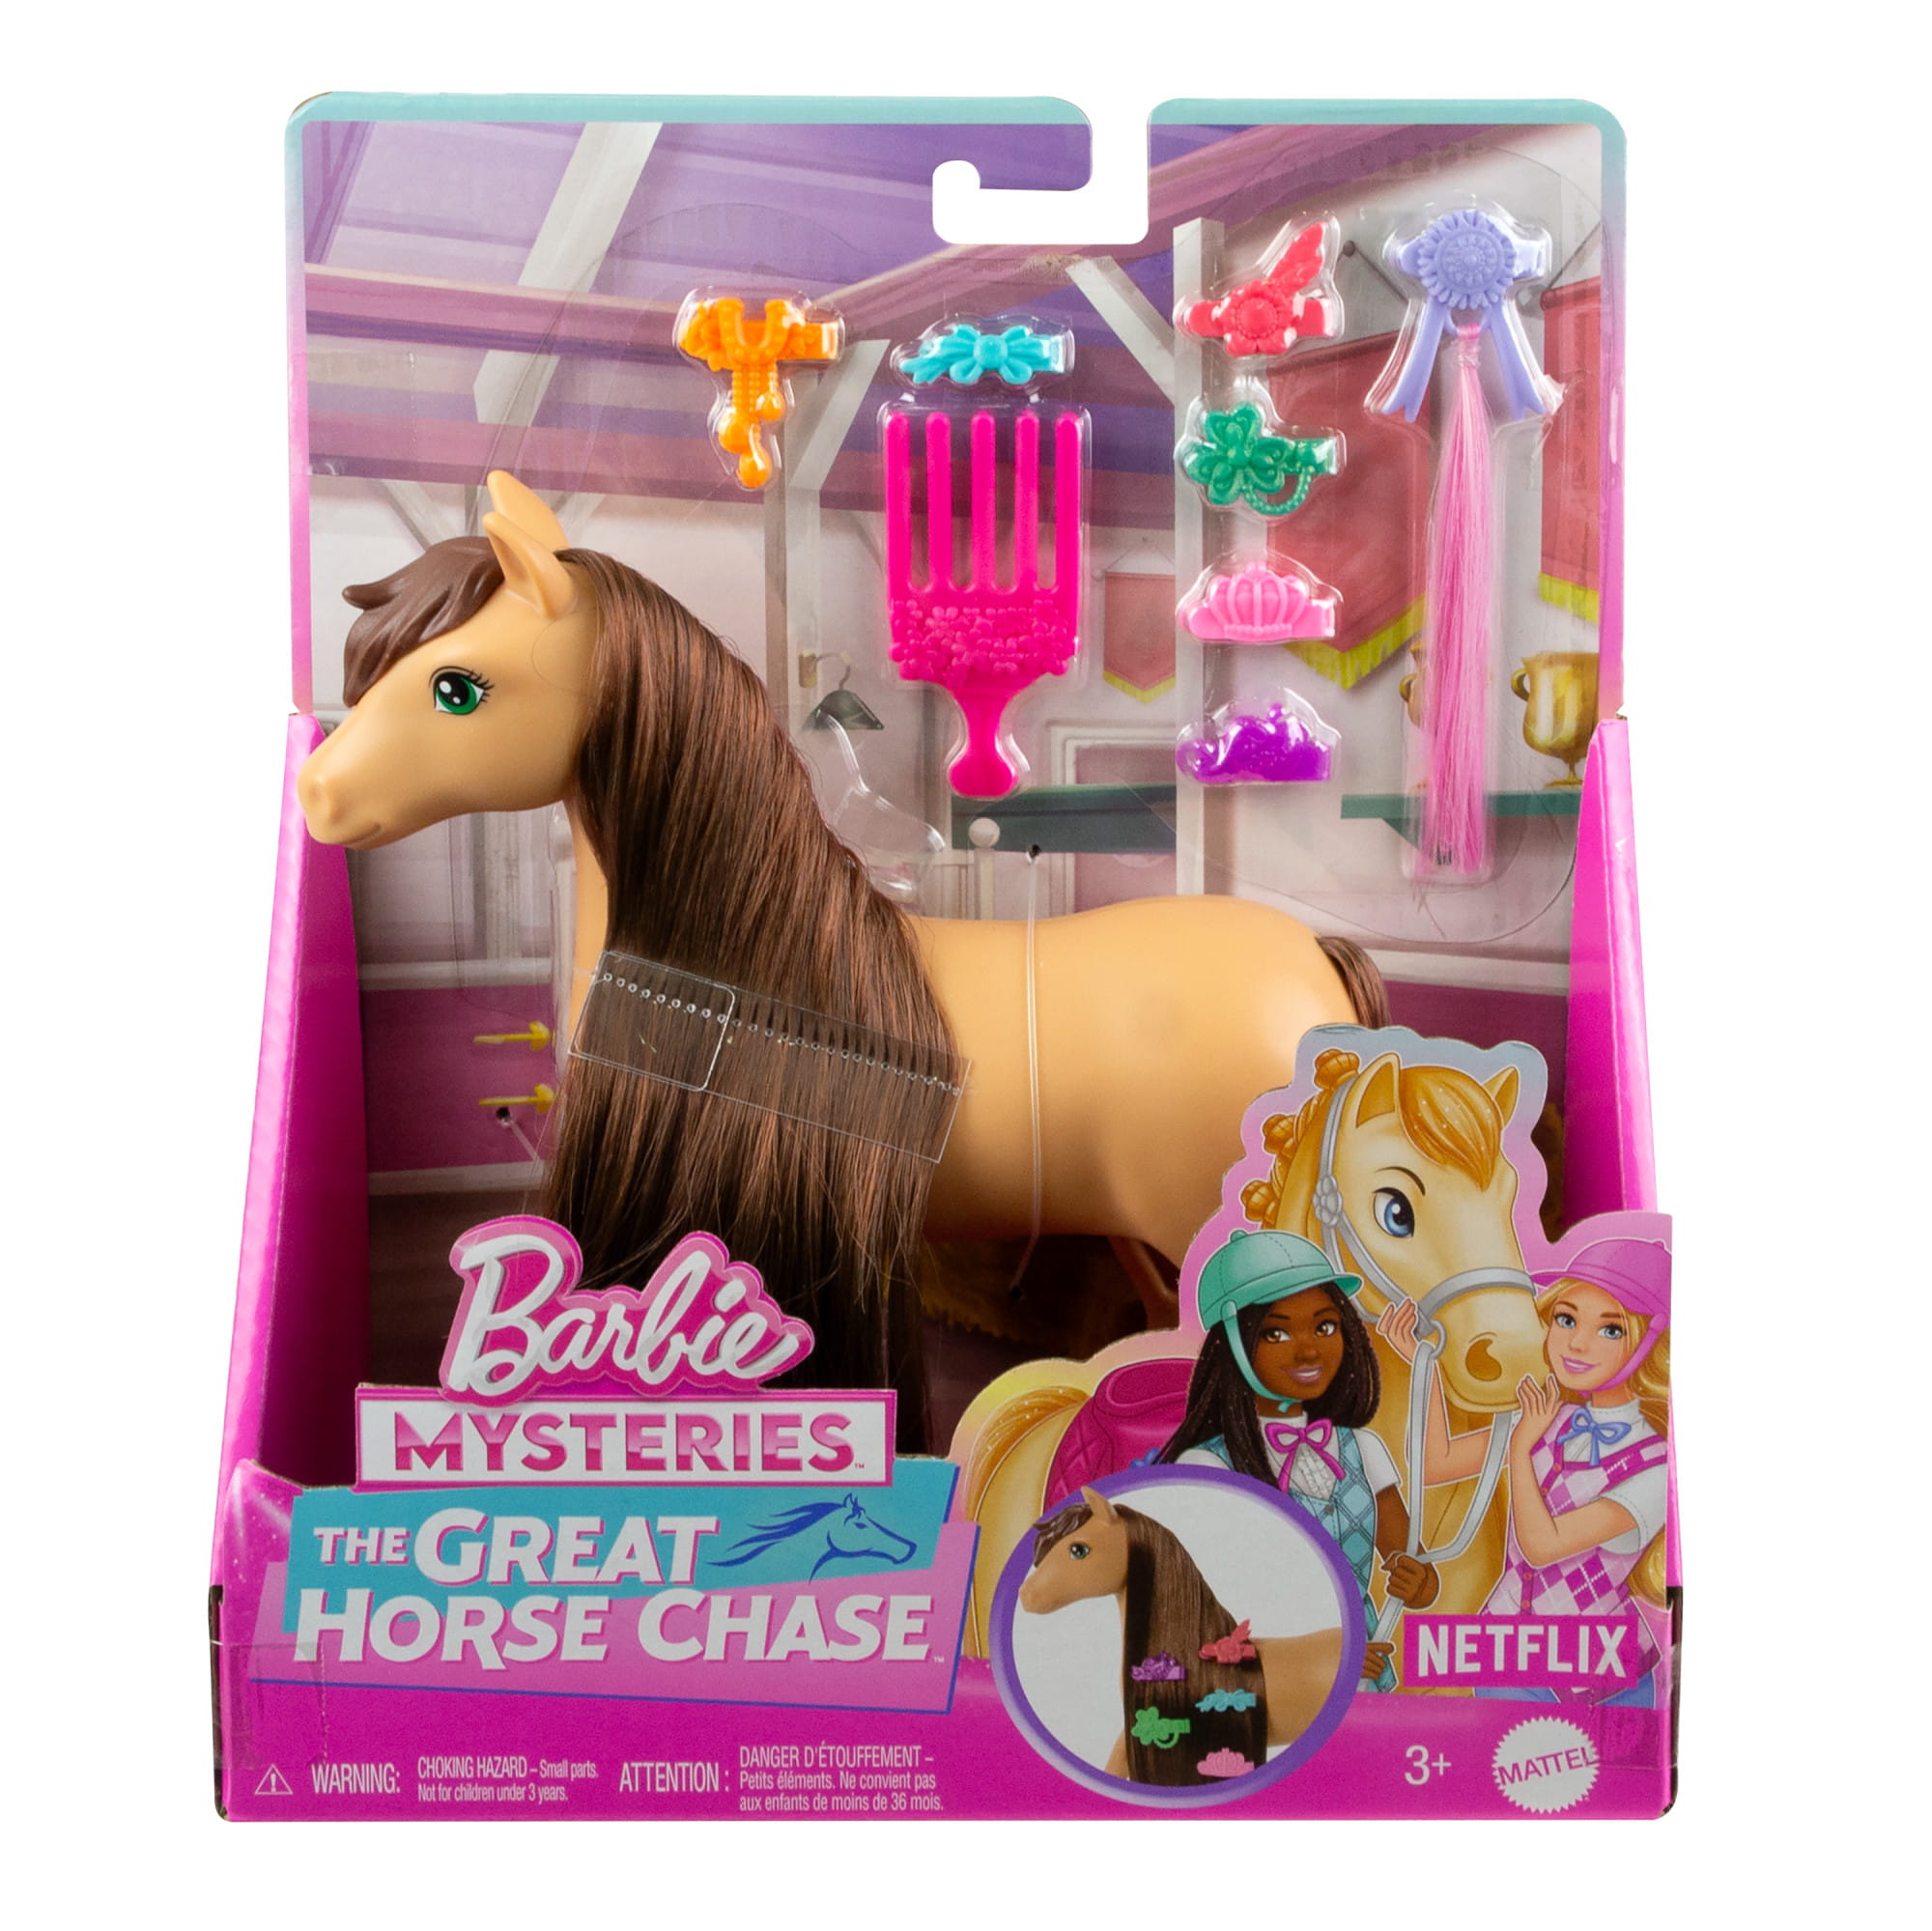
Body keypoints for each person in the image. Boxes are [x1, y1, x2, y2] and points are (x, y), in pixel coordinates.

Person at [1379, 1235, 1670, 1705]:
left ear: (1649, 1342)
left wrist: (1520, 1449)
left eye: (1611, 1330)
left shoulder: (1656, 1465)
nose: (1577, 1342)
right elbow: (1437, 1463)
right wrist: (1424, 1365)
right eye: (1566, 1319)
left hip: (1602, 1677)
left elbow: (1542, 1547)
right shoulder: (1548, 1415)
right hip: (1506, 1654)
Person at [1158, 1229, 1437, 1689]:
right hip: (1266, 1690)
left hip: (1363, 1682)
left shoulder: (1362, 1450)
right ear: (1233, 1343)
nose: (1309, 1350)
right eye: (1276, 1333)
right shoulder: (1210, 1468)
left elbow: (1415, 1570)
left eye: (1325, 1327)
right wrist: (1322, 1655)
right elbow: (1200, 1607)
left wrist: (1419, 1582)